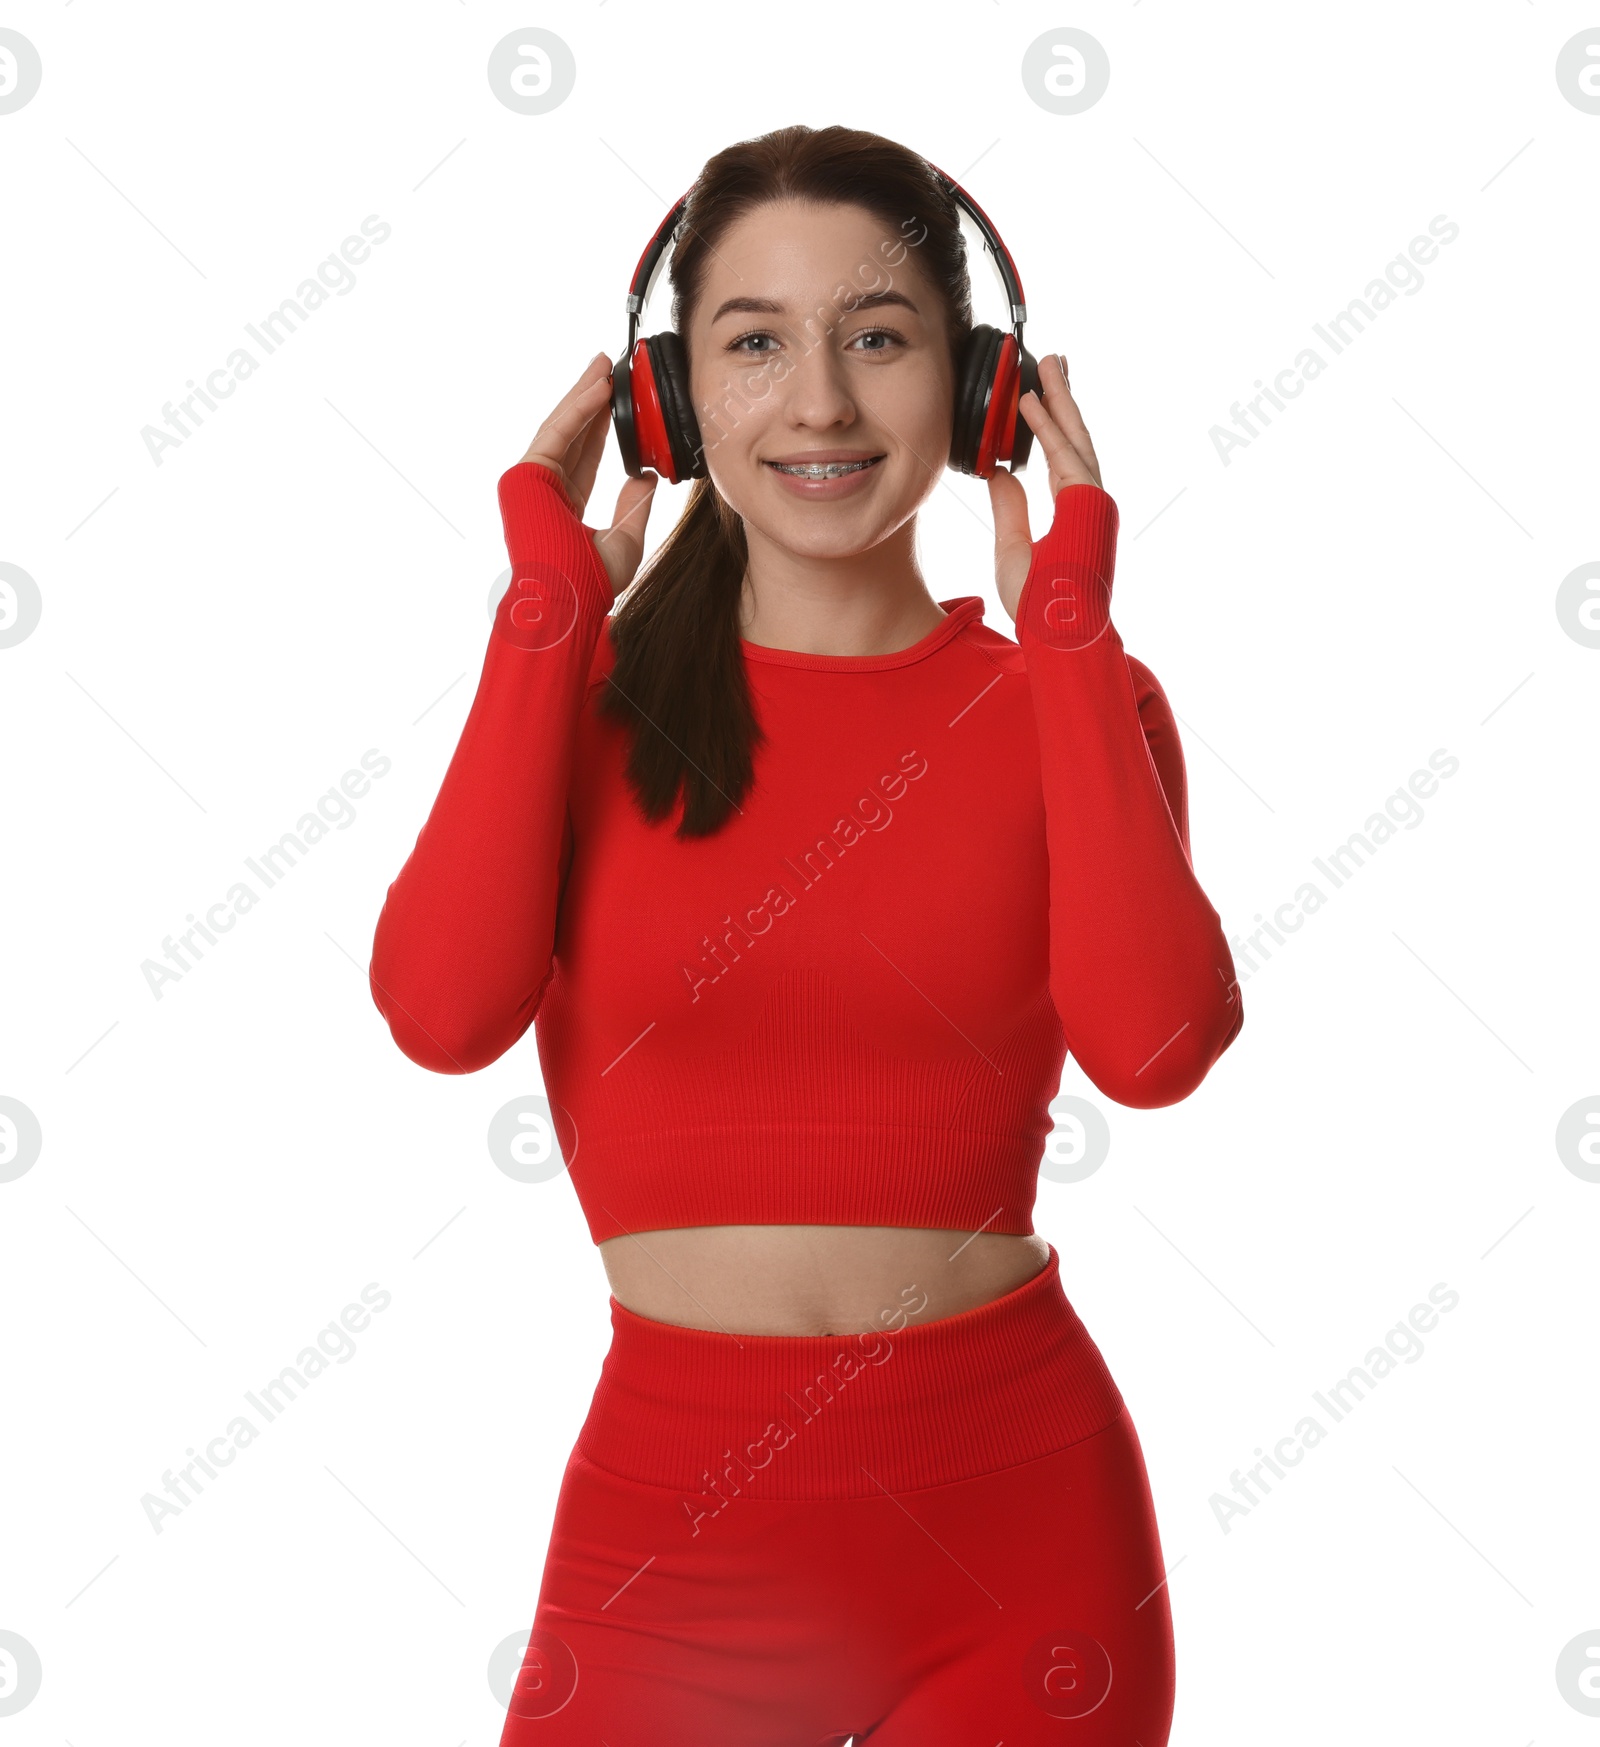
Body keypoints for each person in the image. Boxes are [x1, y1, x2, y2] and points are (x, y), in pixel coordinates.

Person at [369, 123, 1243, 1746]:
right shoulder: (580, 705)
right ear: (671, 401)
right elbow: (441, 1007)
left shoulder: (1071, 703)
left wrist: (1068, 637)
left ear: (980, 391)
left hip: (1020, 1535)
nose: (823, 401)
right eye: (755, 343)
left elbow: (1158, 1048)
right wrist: (546, 615)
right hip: (674, 1542)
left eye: (881, 338)